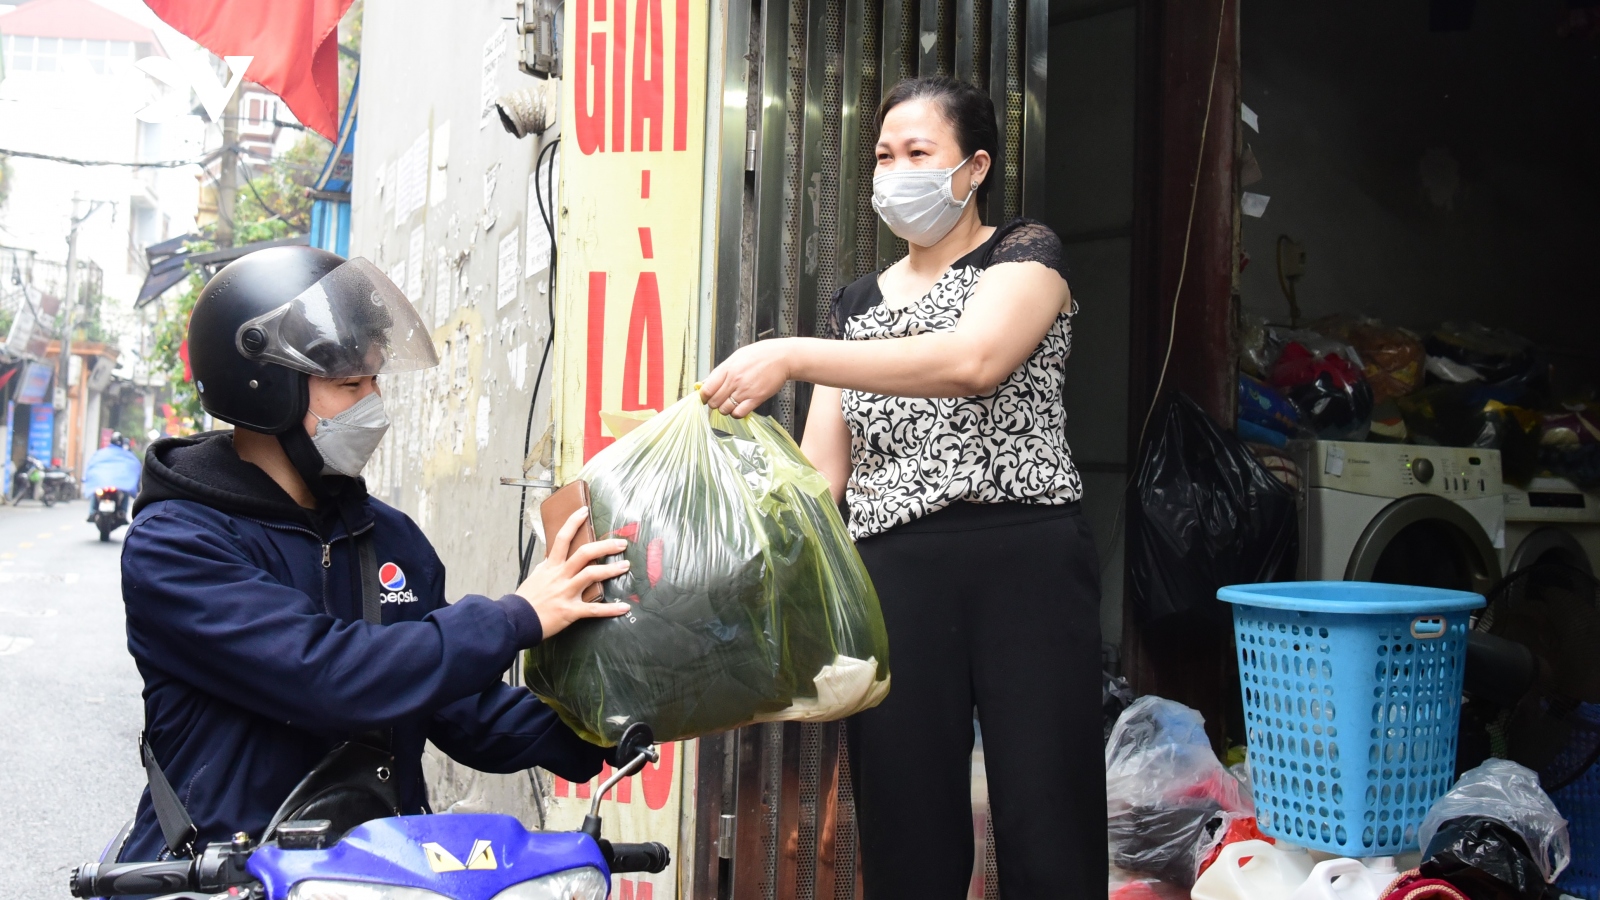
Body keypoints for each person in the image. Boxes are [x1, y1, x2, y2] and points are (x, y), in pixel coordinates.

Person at [699, 76, 1104, 899]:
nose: (895, 171)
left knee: (1046, 812)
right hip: (894, 579)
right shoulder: (857, 307)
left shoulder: (1025, 255)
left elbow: (974, 361)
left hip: (1024, 559)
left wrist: (794, 352)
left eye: (919, 153)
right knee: (904, 822)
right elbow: (819, 479)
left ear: (975, 166)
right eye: (885, 155)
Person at [116, 246, 633, 863]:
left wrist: (615, 725)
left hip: (378, 870)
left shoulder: (389, 539)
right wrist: (515, 616)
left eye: (375, 381)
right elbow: (325, 675)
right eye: (348, 385)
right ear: (263, 392)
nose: (373, 405)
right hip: (227, 872)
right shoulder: (176, 546)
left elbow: (457, 705)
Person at [83, 432, 142, 521]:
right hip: (107, 485)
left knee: (123, 492)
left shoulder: (102, 453)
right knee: (122, 493)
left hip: (110, 485)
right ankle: (122, 512)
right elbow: (135, 468)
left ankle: (92, 512)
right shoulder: (127, 455)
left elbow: (91, 466)